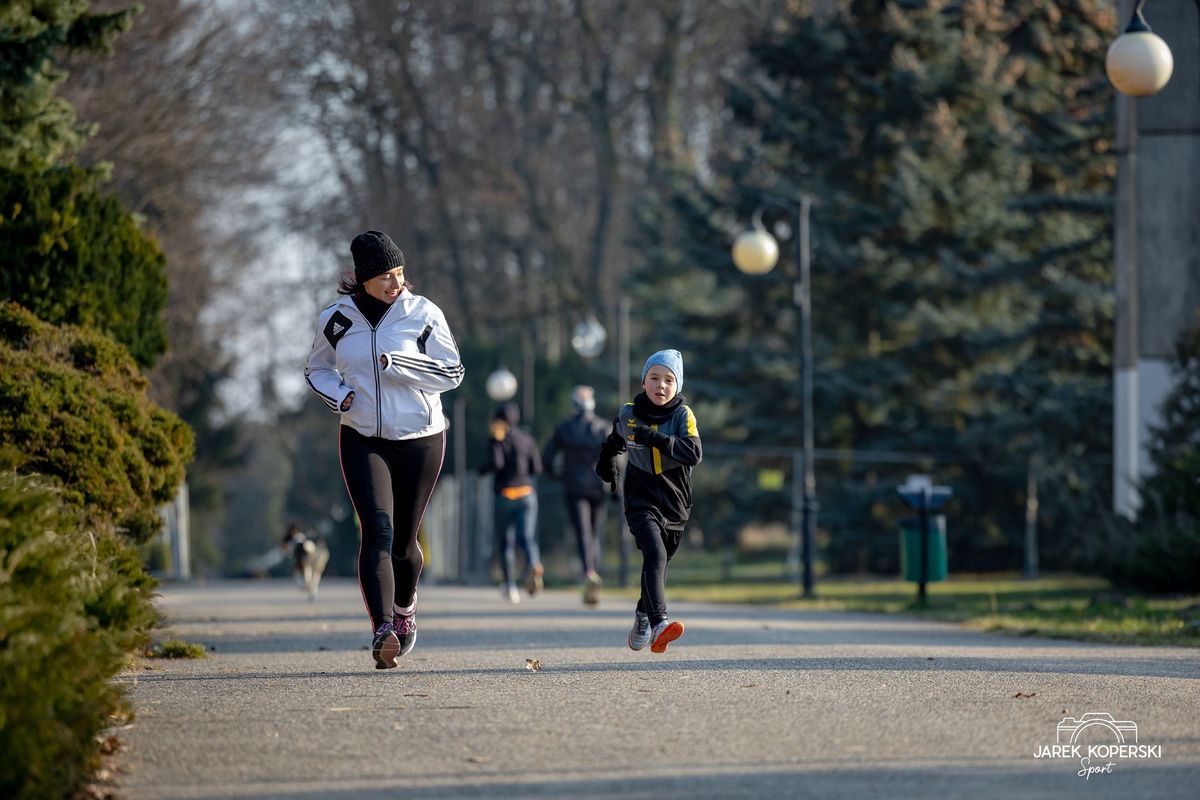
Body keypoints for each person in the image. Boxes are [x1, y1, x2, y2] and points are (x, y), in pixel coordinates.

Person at [304, 230, 464, 669]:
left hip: (420, 437)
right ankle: (382, 630)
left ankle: (405, 610)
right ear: (363, 279)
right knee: (377, 531)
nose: (397, 284)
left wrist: (402, 366)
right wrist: (341, 396)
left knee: (405, 542)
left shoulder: (422, 312)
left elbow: (453, 372)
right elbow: (316, 369)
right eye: (387, 276)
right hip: (361, 437)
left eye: (400, 273)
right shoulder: (336, 319)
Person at [595, 349, 701, 653]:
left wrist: (652, 438)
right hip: (640, 498)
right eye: (654, 377)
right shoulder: (628, 413)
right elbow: (614, 441)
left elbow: (693, 453)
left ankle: (642, 615)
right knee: (654, 554)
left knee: (660, 564)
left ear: (676, 386)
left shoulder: (683, 415)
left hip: (676, 501)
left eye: (669, 380)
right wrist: (605, 464)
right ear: (644, 382)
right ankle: (659, 623)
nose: (661, 385)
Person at [542, 385, 610, 605]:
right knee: (594, 532)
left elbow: (547, 459)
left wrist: (557, 476)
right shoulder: (603, 427)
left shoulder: (565, 429)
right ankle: (595, 574)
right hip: (598, 487)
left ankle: (588, 572)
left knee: (582, 532)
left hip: (573, 487)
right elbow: (615, 459)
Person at [480, 401, 544, 603]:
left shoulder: (498, 438)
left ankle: (510, 586)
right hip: (527, 494)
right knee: (526, 537)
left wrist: (483, 470)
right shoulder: (527, 439)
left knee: (506, 542)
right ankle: (533, 562)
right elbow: (537, 468)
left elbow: (496, 463)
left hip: (505, 494)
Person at [281, 523, 330, 601]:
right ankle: (312, 592)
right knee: (313, 575)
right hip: (309, 558)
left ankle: (311, 591)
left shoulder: (298, 539)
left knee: (312, 575)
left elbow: (287, 550)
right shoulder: (299, 539)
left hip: (310, 558)